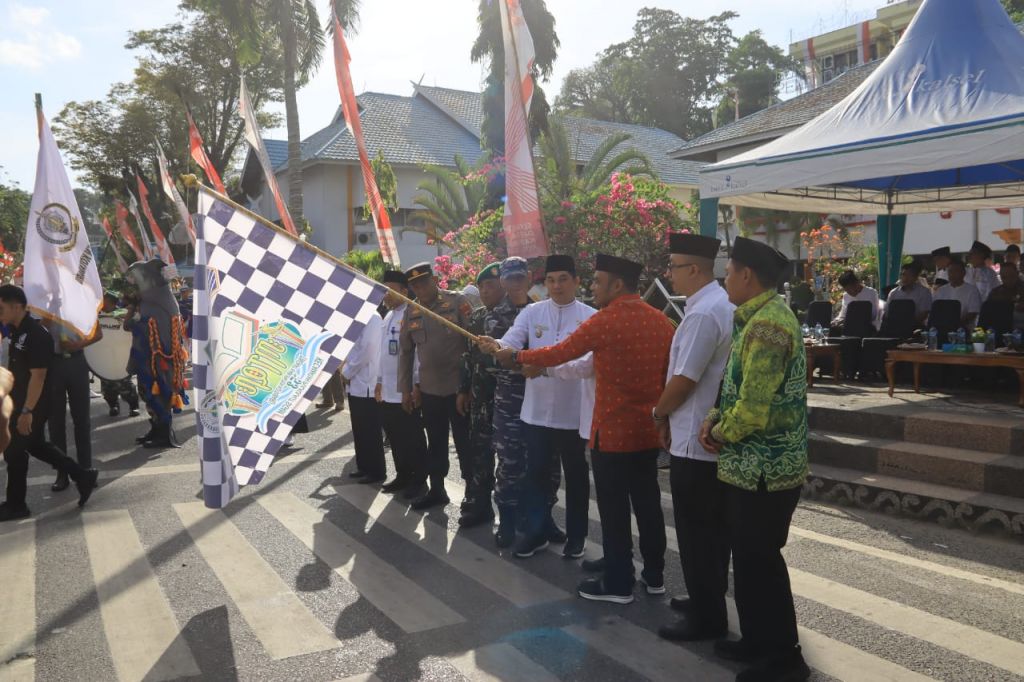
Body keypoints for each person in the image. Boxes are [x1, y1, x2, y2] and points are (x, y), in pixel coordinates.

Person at [484, 254, 674, 604]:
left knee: (613, 507)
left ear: (617, 284)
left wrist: (521, 358)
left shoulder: (602, 320)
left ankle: (618, 580)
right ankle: (653, 573)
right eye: (551, 279)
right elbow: (669, 374)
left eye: (598, 281)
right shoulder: (662, 322)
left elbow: (566, 354)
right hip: (647, 430)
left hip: (609, 430)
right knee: (647, 503)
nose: (592, 287)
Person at [699, 236, 810, 682]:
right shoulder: (755, 318)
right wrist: (714, 418)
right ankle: (756, 641)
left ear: (746, 275)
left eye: (728, 271)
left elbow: (752, 409)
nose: (724, 278)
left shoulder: (768, 326)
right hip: (748, 467)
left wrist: (718, 432)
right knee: (746, 560)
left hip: (766, 469)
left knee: (761, 561)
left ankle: (784, 657)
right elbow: (735, 388)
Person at [651, 234, 734, 643]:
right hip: (704, 435)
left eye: (674, 267)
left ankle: (707, 617)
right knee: (712, 533)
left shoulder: (703, 313)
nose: (670, 274)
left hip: (694, 440)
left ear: (695, 269)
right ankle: (707, 597)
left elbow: (684, 380)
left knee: (697, 533)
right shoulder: (719, 305)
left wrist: (658, 412)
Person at [496, 255, 596, 560]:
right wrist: (497, 347)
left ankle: (576, 537)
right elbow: (511, 342)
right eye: (551, 280)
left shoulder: (591, 317)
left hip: (573, 413)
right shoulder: (532, 312)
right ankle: (536, 532)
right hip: (536, 412)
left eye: (563, 279)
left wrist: (542, 367)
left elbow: (586, 363)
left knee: (576, 477)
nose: (556, 286)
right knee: (535, 474)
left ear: (577, 281)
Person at [0, 285, 97, 522]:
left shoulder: (36, 334)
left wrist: (27, 411)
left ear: (16, 306)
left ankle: (16, 505)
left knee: (15, 451)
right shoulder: (17, 330)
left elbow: (39, 376)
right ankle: (82, 476)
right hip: (21, 399)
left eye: (1, 308)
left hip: (35, 402)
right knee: (35, 446)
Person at [398, 262, 473, 510]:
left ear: (434, 280)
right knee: (436, 441)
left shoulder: (456, 302)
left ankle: (472, 492)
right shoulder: (411, 311)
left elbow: (473, 342)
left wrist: (469, 386)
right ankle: (437, 489)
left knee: (465, 442)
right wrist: (406, 390)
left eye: (424, 282)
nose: (420, 288)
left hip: (458, 389)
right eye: (415, 285)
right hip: (430, 390)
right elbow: (406, 353)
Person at [482, 257, 533, 547]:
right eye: (510, 279)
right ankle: (508, 521)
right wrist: (524, 363)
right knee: (510, 463)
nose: (515, 284)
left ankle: (540, 518)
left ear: (529, 278)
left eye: (519, 278)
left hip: (540, 400)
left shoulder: (542, 310)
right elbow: (494, 362)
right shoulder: (495, 317)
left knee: (543, 464)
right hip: (510, 401)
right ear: (503, 281)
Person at [456, 263, 504, 527]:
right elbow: (468, 356)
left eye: (491, 286)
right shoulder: (476, 318)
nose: (485, 291)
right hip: (480, 399)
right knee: (479, 454)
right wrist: (463, 390)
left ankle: (511, 512)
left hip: (508, 400)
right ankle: (479, 504)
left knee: (510, 460)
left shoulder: (519, 314)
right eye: (482, 286)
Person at [376, 270, 429, 497]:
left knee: (412, 436)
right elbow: (382, 353)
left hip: (405, 389)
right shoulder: (388, 315)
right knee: (395, 435)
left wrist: (416, 385)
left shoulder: (413, 313)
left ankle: (419, 479)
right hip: (388, 389)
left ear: (404, 291)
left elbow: (417, 354)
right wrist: (379, 381)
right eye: (384, 290)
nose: (385, 295)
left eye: (390, 290)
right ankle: (403, 474)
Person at [46, 303, 104, 493]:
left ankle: (86, 470)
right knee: (55, 422)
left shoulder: (82, 301)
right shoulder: (46, 302)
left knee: (82, 420)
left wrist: (78, 344)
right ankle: (62, 472)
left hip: (77, 362)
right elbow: (37, 329)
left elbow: (98, 334)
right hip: (53, 364)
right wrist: (47, 319)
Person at [343, 301, 385, 484]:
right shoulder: (358, 317)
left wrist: (347, 372)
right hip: (355, 382)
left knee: (370, 431)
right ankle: (364, 466)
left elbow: (367, 350)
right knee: (359, 429)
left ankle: (376, 471)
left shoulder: (373, 318)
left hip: (367, 383)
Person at [98, 292, 140, 419]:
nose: (101, 303)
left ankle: (133, 406)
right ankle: (113, 405)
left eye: (104, 300)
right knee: (107, 386)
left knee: (125, 384)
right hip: (105, 355)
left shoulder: (122, 313)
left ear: (111, 302)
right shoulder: (98, 315)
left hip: (121, 355)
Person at [933, 260, 982, 328]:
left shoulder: (972, 290)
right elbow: (935, 310)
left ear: (963, 273)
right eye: (950, 271)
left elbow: (973, 313)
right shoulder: (941, 290)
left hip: (964, 329)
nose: (952, 274)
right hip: (942, 327)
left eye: (956, 271)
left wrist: (956, 324)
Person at [886, 261, 932, 325]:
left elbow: (924, 314)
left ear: (916, 277)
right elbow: (887, 313)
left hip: (915, 326)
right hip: (894, 326)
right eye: (903, 274)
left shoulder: (924, 292)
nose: (905, 278)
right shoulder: (893, 293)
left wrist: (908, 324)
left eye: (909, 275)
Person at [988, 261, 1024, 329]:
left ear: (1017, 274)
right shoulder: (995, 293)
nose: (1008, 279)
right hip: (1002, 329)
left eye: (1011, 276)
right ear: (1000, 277)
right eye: (1004, 277)